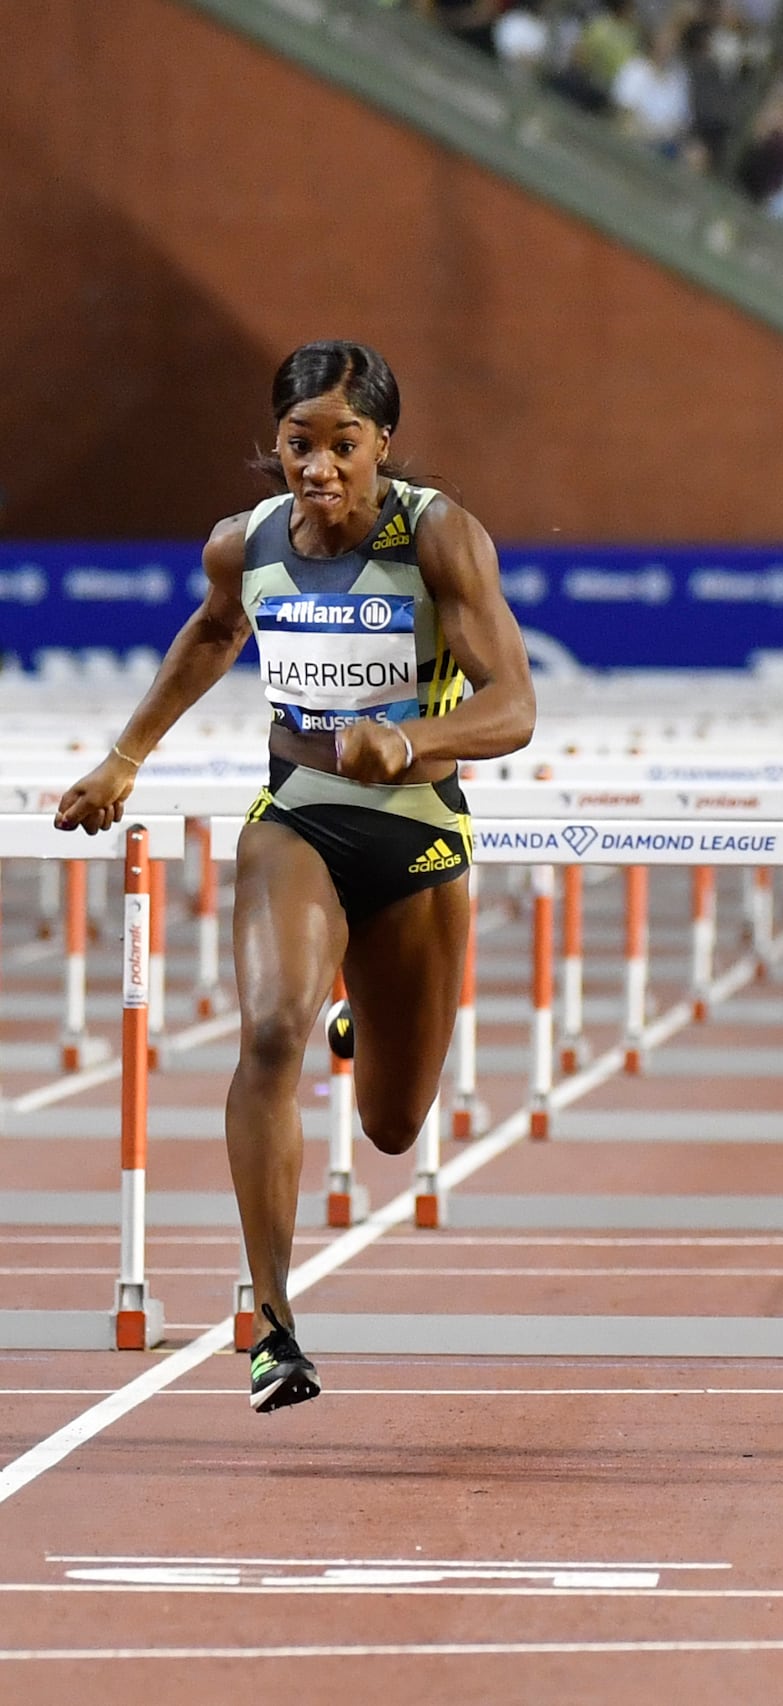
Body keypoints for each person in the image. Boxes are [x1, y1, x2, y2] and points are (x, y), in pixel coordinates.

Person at [54, 342, 536, 1411]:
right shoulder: (246, 542)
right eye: (298, 443)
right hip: (300, 812)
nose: (318, 466)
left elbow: (516, 705)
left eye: (342, 445)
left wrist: (407, 740)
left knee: (393, 1126)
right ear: (273, 445)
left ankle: (359, 1003)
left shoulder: (438, 535)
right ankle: (273, 1322)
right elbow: (213, 632)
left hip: (414, 827)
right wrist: (124, 755)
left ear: (383, 446)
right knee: (270, 1028)